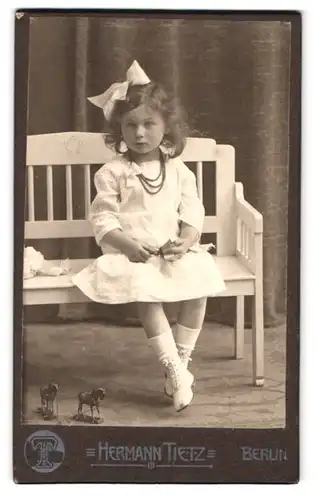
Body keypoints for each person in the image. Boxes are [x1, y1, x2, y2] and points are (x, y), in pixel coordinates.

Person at [72, 60, 226, 412]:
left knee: (199, 283)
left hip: (170, 249)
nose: (140, 134)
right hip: (133, 252)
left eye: (148, 124)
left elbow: (192, 210)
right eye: (131, 126)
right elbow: (102, 217)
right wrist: (126, 244)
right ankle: (172, 366)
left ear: (166, 126)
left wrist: (187, 240)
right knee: (145, 292)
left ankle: (180, 366)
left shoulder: (177, 170)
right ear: (119, 131)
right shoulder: (112, 172)